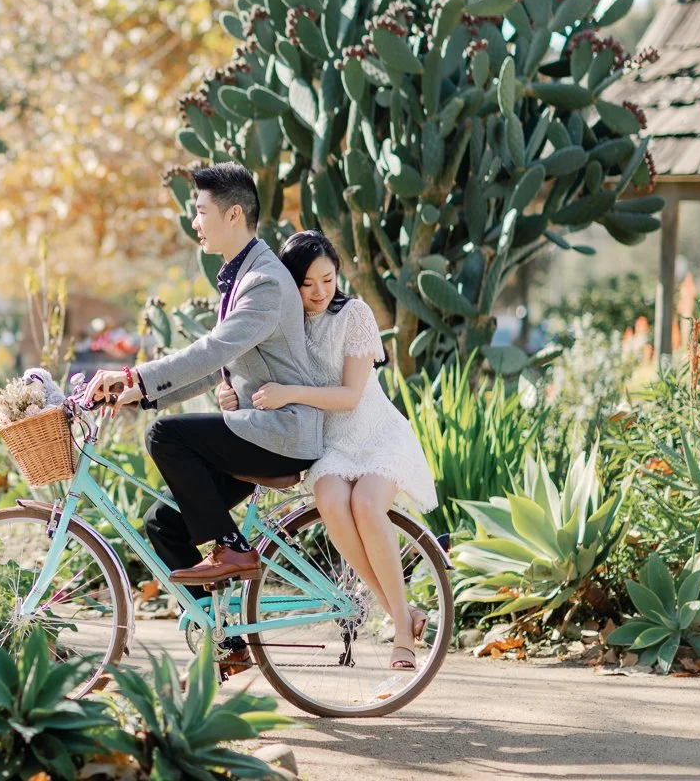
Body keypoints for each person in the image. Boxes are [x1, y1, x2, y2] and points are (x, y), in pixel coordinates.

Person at [83, 163, 324, 593]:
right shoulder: (243, 274)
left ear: (233, 215)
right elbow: (220, 367)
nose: (194, 222)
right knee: (164, 523)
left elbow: (212, 350)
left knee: (165, 437)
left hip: (282, 434)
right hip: (259, 432)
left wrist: (132, 374)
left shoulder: (264, 282)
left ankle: (231, 548)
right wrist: (138, 394)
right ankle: (223, 637)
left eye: (200, 211)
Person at [238, 230, 439, 671]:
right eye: (307, 283)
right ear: (290, 283)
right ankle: (401, 612)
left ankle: (402, 635)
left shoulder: (356, 315)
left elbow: (350, 396)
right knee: (331, 500)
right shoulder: (286, 323)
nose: (319, 292)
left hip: (375, 434)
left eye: (327, 280)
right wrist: (231, 394)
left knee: (367, 504)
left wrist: (287, 391)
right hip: (330, 442)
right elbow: (247, 364)